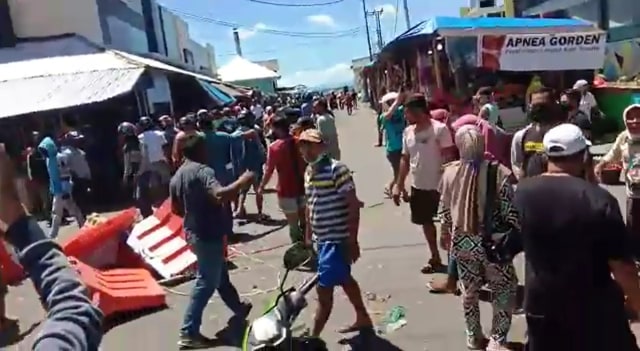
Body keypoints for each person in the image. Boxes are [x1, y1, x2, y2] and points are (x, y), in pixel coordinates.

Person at [515, 123, 640, 351]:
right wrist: (636, 303)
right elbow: (623, 268)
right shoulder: (598, 199)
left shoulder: (522, 193)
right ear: (583, 156)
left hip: (541, 307)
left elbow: (509, 242)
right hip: (594, 313)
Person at [0, 143, 104, 349]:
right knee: (62, 212)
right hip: (59, 190)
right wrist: (14, 214)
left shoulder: (55, 160)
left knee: (65, 211)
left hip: (60, 188)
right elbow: (72, 309)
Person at [169, 134, 255, 348]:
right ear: (200, 150)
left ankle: (238, 308)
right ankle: (189, 331)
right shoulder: (202, 171)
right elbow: (219, 195)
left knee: (220, 276)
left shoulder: (177, 175)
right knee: (206, 281)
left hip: (193, 232)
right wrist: (243, 181)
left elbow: (175, 209)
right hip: (208, 234)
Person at [438, 125, 518, 350]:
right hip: (493, 243)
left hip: (462, 242)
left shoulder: (449, 172)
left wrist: (445, 235)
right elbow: (509, 211)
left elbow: (444, 212)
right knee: (503, 289)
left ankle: (473, 336)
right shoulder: (498, 172)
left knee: (469, 291)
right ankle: (497, 339)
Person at [297, 129, 372, 341]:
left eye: (311, 145)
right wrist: (308, 236)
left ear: (323, 146)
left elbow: (353, 205)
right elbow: (310, 206)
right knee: (345, 279)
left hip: (337, 240)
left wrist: (352, 240)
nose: (307, 150)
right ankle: (363, 317)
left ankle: (312, 338)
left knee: (324, 291)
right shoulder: (309, 171)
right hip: (322, 240)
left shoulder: (337, 169)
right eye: (303, 145)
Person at [392, 93, 457, 274]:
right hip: (419, 187)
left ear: (418, 111)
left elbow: (449, 158)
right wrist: (399, 184)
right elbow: (405, 159)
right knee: (426, 223)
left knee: (449, 226)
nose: (405, 116)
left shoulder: (440, 130)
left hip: (441, 187)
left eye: (407, 112)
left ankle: (455, 265)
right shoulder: (408, 132)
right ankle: (435, 257)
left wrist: (450, 185)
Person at [595, 104, 640, 247]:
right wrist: (600, 164)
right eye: (630, 118)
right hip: (633, 190)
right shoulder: (624, 137)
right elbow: (613, 154)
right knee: (633, 225)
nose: (635, 121)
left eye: (639, 117)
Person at [258, 115, 307, 243]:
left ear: (277, 129)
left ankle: (298, 247)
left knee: (292, 223)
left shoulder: (274, 147)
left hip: (286, 188)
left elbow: (269, 170)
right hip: (304, 185)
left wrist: (262, 186)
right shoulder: (300, 141)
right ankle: (307, 244)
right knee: (304, 219)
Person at [510, 87, 566, 180]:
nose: (539, 110)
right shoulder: (521, 136)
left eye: (543, 106)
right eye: (535, 106)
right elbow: (517, 163)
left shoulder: (565, 134)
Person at [38, 136, 85, 238]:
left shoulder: (57, 158)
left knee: (59, 211)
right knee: (69, 209)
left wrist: (64, 190)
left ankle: (53, 234)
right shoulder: (51, 159)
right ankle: (82, 225)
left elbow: (64, 174)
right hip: (58, 189)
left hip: (62, 188)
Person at [232, 111, 267, 219]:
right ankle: (260, 213)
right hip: (255, 165)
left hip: (242, 166)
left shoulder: (235, 134)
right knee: (258, 190)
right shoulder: (255, 131)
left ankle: (239, 210)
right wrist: (264, 159)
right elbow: (262, 147)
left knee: (243, 190)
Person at [378, 92, 407, 198]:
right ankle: (402, 192)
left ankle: (390, 187)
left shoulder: (400, 111)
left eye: (393, 101)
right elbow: (389, 114)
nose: (392, 103)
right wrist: (397, 101)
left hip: (403, 146)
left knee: (401, 172)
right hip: (393, 149)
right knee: (398, 173)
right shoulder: (383, 116)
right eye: (390, 102)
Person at [26, 131, 50, 220]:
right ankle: (48, 216)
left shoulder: (44, 151)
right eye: (34, 137)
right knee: (45, 199)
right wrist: (32, 179)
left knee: (51, 198)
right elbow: (30, 168)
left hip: (47, 177)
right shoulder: (32, 155)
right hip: (40, 180)